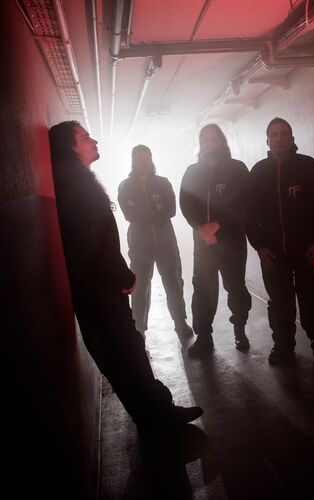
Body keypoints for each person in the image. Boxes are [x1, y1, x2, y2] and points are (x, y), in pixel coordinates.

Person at [48, 121, 203, 435]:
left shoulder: (75, 182)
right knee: (127, 352)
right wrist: (123, 276)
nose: (93, 140)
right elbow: (93, 243)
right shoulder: (77, 187)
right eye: (84, 137)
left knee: (125, 352)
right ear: (70, 147)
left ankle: (151, 416)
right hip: (101, 291)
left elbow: (165, 211)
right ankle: (157, 416)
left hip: (97, 289)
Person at [246, 117, 314, 365]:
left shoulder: (309, 167)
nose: (279, 138)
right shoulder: (258, 172)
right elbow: (249, 214)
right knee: (279, 303)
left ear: (292, 139)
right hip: (273, 254)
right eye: (274, 134)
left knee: (313, 301)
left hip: (308, 252)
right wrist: (259, 246)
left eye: (284, 134)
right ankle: (283, 346)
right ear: (268, 141)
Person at [180, 124, 252, 356]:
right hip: (203, 241)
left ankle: (240, 330)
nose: (210, 143)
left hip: (231, 240)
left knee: (235, 286)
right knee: (202, 288)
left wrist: (218, 225)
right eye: (205, 139)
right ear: (200, 144)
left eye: (214, 138)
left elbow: (244, 203)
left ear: (222, 141)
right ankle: (204, 336)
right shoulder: (192, 172)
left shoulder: (237, 169)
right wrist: (201, 228)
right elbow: (186, 203)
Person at [117, 145, 192, 339]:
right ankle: (139, 329)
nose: (144, 163)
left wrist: (141, 209)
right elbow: (128, 214)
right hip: (140, 244)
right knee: (140, 286)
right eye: (139, 159)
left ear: (151, 160)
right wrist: (155, 209)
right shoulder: (125, 186)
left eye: (147, 158)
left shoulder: (163, 183)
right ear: (133, 162)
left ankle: (180, 321)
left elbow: (171, 210)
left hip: (166, 241)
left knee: (173, 281)